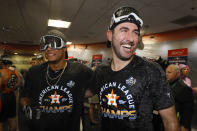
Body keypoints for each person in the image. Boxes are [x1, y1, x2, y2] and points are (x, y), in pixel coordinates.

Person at [92, 6, 180, 131]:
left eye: (135, 32)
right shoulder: (101, 71)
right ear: (110, 35)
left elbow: (170, 122)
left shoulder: (151, 70)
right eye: (124, 30)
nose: (131, 39)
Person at [20, 30, 93, 131]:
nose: (48, 48)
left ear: (64, 48)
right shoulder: (34, 72)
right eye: (45, 45)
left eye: (54, 44)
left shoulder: (80, 70)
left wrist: (80, 94)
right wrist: (27, 108)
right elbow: (25, 96)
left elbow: (97, 85)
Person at [166, 64, 194, 131]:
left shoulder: (184, 88)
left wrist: (184, 126)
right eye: (166, 72)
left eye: (169, 72)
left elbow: (188, 110)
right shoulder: (167, 84)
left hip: (177, 124)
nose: (166, 74)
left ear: (177, 73)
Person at [0, 59, 20, 131]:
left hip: (2, 97)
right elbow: (18, 84)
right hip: (11, 96)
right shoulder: (15, 72)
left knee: (1, 122)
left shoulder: (1, 72)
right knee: (12, 119)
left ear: (2, 64)